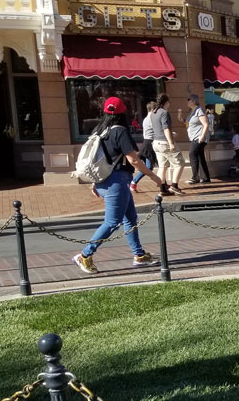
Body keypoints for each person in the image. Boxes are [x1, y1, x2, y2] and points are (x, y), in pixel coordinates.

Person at [71, 97, 167, 274]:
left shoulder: (100, 130)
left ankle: (139, 255)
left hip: (107, 181)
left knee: (129, 218)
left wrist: (95, 181)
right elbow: (133, 160)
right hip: (117, 182)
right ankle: (84, 255)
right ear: (123, 113)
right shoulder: (120, 131)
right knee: (112, 222)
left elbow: (99, 159)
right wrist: (154, 177)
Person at [150, 94, 186, 195]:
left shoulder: (153, 113)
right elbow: (165, 128)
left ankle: (162, 189)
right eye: (169, 102)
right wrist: (171, 143)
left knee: (162, 166)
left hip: (156, 142)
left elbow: (159, 129)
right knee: (180, 163)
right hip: (165, 142)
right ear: (166, 102)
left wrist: (170, 133)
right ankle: (174, 186)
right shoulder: (164, 113)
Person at [130, 100, 159, 194]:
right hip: (149, 144)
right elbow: (157, 130)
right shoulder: (151, 119)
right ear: (152, 109)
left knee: (150, 167)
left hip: (147, 143)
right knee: (148, 168)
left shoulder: (146, 119)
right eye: (156, 109)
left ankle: (163, 183)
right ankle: (134, 182)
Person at [185, 94, 211, 184]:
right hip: (194, 137)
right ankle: (206, 178)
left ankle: (195, 177)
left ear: (193, 101)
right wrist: (181, 119)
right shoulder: (191, 111)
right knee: (200, 156)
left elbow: (206, 124)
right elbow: (189, 124)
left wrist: (202, 136)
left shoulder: (199, 110)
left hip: (199, 137)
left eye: (188, 100)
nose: (187, 101)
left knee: (192, 154)